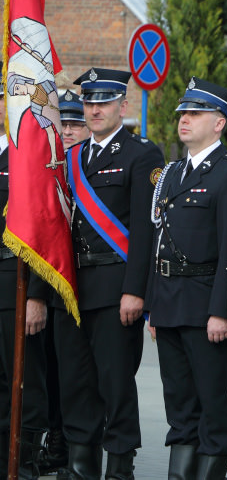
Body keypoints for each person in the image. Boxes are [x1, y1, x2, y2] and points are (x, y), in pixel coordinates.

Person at [54, 67, 164, 479]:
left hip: (115, 286)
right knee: (76, 382)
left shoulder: (142, 154)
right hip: (73, 287)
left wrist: (136, 290)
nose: (94, 110)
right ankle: (82, 468)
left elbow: (144, 229)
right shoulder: (72, 158)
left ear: (122, 104)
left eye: (103, 102)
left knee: (115, 384)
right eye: (89, 102)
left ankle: (120, 468)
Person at [145, 77, 227, 479]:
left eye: (195, 113)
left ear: (218, 122)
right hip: (168, 302)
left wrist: (221, 310)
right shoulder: (170, 174)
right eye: (183, 113)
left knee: (212, 405)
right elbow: (157, 243)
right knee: (179, 404)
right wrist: (152, 307)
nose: (184, 119)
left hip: (205, 306)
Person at [36, 90, 90, 476]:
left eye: (74, 124)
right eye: (62, 124)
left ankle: (84, 446)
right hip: (52, 282)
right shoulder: (46, 167)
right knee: (51, 368)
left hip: (91, 284)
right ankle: (56, 437)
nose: (67, 131)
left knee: (86, 374)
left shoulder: (94, 167)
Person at [0, 83, 50, 479]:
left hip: (11, 280)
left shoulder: (22, 150)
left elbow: (40, 224)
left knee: (22, 377)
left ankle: (25, 460)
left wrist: (36, 294)